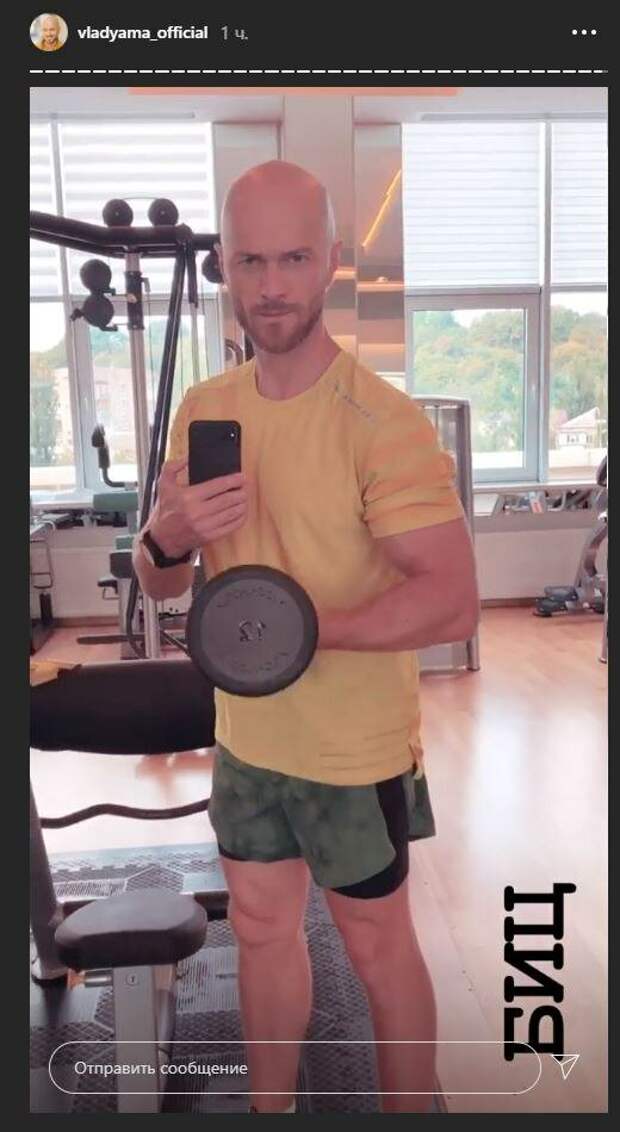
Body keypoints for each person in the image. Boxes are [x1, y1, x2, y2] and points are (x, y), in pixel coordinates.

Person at [133, 160, 480, 1113]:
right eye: (251, 261)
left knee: (376, 944)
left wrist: (296, 633)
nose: (273, 285)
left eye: (293, 258)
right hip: (248, 738)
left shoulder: (382, 423)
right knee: (256, 928)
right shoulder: (206, 410)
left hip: (350, 751)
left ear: (331, 260)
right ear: (225, 266)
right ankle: (270, 1109)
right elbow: (162, 583)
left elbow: (452, 602)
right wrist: (165, 537)